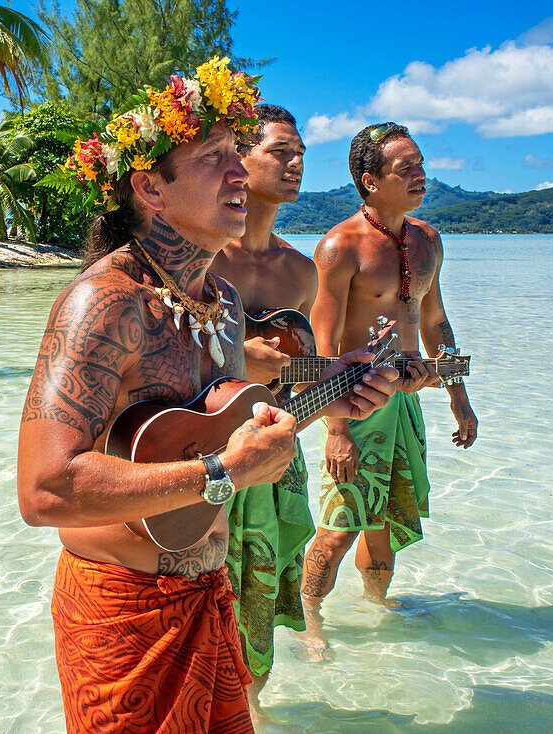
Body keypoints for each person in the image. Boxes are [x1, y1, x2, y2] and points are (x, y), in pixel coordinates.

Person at [16, 62, 400, 733]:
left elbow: (223, 430)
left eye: (237, 154)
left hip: (206, 596)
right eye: (214, 157)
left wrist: (336, 399)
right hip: (122, 614)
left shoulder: (219, 304)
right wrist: (223, 474)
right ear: (150, 189)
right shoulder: (104, 304)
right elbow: (44, 490)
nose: (238, 172)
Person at [297, 122, 478, 659]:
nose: (421, 175)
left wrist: (459, 396)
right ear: (371, 181)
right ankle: (310, 619)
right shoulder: (339, 247)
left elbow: (435, 320)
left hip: (405, 400)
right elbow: (321, 347)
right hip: (354, 402)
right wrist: (335, 429)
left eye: (421, 164)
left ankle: (377, 610)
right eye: (407, 169)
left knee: (386, 522)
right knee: (338, 527)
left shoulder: (427, 239)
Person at [208, 104, 316, 719]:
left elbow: (303, 373)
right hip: (206, 458)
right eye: (280, 151)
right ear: (238, 160)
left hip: (273, 453)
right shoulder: (201, 256)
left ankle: (255, 719)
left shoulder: (301, 271)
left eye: (300, 152)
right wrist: (235, 364)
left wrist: (347, 388)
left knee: (263, 601)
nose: (296, 162)